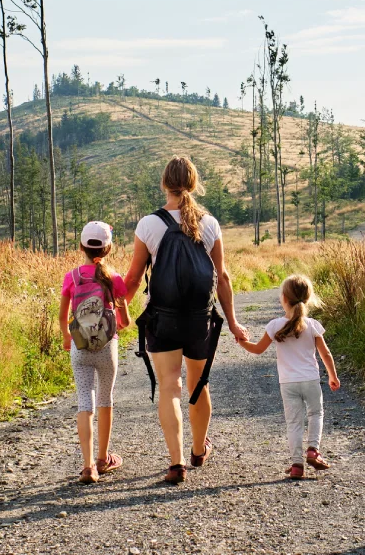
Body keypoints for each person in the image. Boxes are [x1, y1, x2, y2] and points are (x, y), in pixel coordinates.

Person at [124, 156, 248, 485]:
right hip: (199, 319)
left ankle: (176, 463)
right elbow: (222, 278)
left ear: (165, 184)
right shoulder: (210, 224)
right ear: (194, 183)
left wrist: (117, 305)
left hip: (162, 319)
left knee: (170, 386)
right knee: (197, 384)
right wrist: (233, 323)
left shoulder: (148, 225)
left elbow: (135, 278)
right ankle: (197, 449)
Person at [235, 273, 340, 480]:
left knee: (294, 423)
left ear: (283, 298)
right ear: (308, 298)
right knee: (316, 414)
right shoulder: (313, 325)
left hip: (288, 383)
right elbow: (325, 353)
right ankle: (313, 450)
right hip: (310, 380)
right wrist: (332, 376)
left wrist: (241, 341)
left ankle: (296, 465)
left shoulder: (275, 326)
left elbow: (257, 350)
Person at [60, 221, 130, 484]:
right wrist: (116, 322)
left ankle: (88, 466)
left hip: (80, 347)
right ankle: (103, 458)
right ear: (109, 248)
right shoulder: (114, 279)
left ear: (81, 247)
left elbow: (63, 316)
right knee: (105, 398)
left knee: (84, 402)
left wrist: (68, 337)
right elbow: (125, 321)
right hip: (106, 348)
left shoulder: (72, 277)